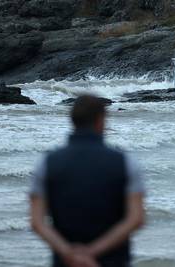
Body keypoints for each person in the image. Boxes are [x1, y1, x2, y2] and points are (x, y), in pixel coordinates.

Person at [29, 95, 145, 267]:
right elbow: (136, 218)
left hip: (66, 261)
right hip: (113, 261)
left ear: (72, 121)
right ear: (101, 120)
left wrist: (69, 253)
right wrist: (92, 251)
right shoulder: (125, 163)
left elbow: (37, 222)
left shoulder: (47, 163)